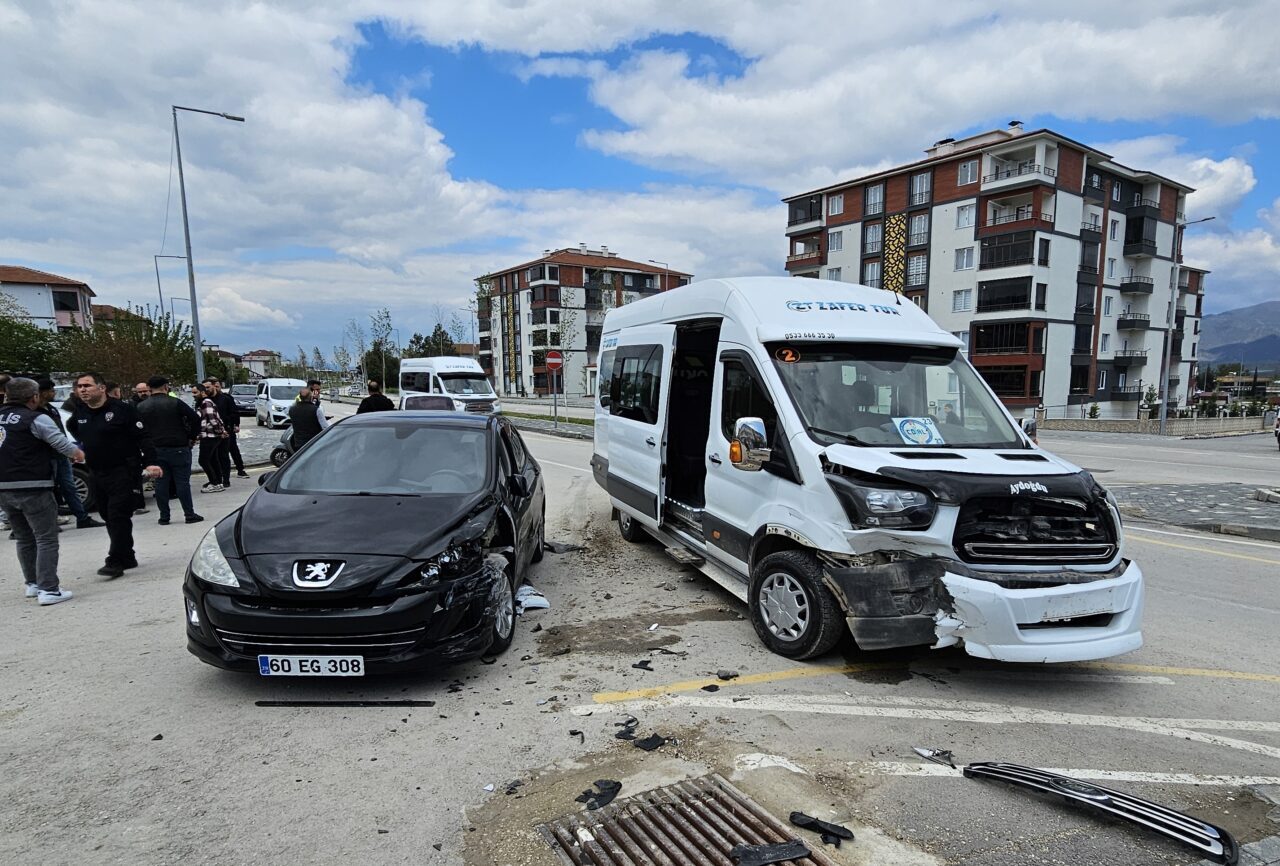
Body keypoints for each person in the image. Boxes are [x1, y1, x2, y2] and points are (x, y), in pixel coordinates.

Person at [67, 371, 164, 579]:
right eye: (79, 386)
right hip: (96, 470)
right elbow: (74, 429)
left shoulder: (122, 410)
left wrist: (152, 462)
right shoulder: (81, 412)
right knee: (107, 515)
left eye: (87, 386)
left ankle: (115, 560)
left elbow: (143, 437)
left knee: (118, 514)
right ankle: (127, 555)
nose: (82, 390)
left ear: (101, 388)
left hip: (123, 470)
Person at [1, 378, 87, 604]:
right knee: (46, 538)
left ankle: (32, 583)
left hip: (4, 487)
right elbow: (58, 441)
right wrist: (77, 454)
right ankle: (49, 589)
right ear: (34, 397)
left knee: (23, 537)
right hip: (34, 484)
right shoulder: (36, 417)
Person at [36, 378, 104, 529]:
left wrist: (69, 451)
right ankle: (50, 521)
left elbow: (61, 431)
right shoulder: (34, 411)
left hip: (60, 455)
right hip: (45, 457)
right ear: (42, 392)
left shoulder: (50, 408)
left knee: (70, 487)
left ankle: (82, 518)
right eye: (51, 390)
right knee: (48, 491)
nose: (54, 393)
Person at [137, 375, 203, 525]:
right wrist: (191, 436)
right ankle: (189, 514)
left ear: (149, 389)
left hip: (155, 450)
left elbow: (137, 429)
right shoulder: (175, 403)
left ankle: (164, 517)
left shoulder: (141, 407)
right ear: (166, 387)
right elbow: (195, 419)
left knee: (161, 483)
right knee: (182, 483)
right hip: (178, 447)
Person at [203, 377, 247, 480]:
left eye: (217, 386)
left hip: (227, 430)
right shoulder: (206, 400)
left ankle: (240, 470)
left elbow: (234, 412)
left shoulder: (226, 398)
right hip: (213, 432)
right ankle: (219, 475)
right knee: (217, 455)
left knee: (232, 451)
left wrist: (235, 424)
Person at [193, 383, 230, 492]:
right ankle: (218, 482)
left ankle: (214, 483)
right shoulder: (205, 402)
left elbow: (213, 419)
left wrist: (220, 431)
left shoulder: (206, 403)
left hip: (210, 435)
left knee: (203, 460)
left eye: (195, 392)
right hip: (211, 435)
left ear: (202, 392)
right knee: (213, 459)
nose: (193, 395)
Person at [288, 385, 328, 450]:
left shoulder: (292, 409)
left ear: (300, 397)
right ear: (311, 397)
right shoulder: (316, 410)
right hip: (313, 443)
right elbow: (325, 427)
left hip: (298, 443)